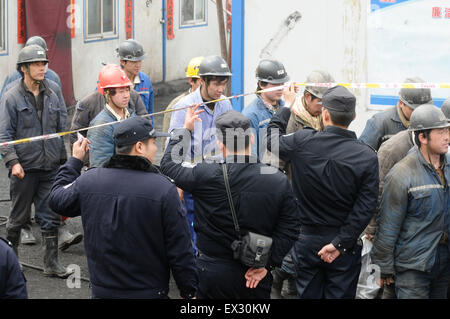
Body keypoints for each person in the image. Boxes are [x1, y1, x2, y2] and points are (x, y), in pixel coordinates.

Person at [48, 116, 197, 299]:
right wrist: (188, 291)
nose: (156, 148)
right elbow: (180, 250)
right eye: (153, 143)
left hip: (103, 292)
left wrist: (75, 161)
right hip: (149, 292)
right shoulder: (163, 189)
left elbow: (56, 200)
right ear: (139, 147)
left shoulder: (89, 181)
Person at [161, 109, 300, 299]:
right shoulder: (276, 180)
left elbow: (169, 165)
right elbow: (291, 229)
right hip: (255, 273)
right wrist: (267, 264)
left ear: (220, 143)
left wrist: (186, 130)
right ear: (251, 138)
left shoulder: (205, 175)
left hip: (212, 273)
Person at [267, 85, 379, 299]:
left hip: (307, 240)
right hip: (343, 244)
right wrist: (339, 244)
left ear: (325, 114)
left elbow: (271, 140)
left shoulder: (302, 141)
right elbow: (365, 208)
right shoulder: (366, 156)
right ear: (354, 116)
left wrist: (287, 106)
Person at [0, 45, 73, 278]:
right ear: (23, 68)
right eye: (37, 64)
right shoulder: (11, 97)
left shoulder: (53, 91)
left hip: (50, 166)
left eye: (44, 64)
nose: (42, 68)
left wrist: (64, 159)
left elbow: (62, 125)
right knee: (17, 218)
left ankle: (51, 263)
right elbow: (4, 135)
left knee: (50, 215)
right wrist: (13, 163)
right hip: (24, 168)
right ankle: (11, 263)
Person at [370, 104, 450, 299]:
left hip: (443, 261)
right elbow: (389, 225)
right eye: (441, 132)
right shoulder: (401, 173)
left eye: (448, 130)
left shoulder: (448, 168)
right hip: (413, 265)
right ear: (422, 137)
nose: (447, 137)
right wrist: (384, 266)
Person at [167, 55, 234, 255]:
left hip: (217, 176)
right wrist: (177, 181)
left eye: (223, 84)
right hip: (192, 177)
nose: (220, 89)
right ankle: (194, 271)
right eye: (216, 84)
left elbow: (229, 141)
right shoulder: (185, 106)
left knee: (216, 226)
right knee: (192, 226)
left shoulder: (225, 104)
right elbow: (176, 146)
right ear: (202, 81)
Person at [359, 77, 433, 150]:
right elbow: (362, 154)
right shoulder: (379, 122)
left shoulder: (432, 121)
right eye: (414, 109)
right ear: (401, 103)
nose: (420, 113)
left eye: (424, 108)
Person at [87, 64, 136, 168]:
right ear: (108, 94)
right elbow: (100, 167)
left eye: (127, 90)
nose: (126, 95)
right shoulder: (101, 126)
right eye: (121, 91)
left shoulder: (131, 116)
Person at [242, 59, 290, 159]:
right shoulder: (251, 115)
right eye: (276, 84)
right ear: (261, 84)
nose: (280, 88)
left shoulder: (287, 108)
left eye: (282, 83)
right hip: (265, 172)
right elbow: (251, 157)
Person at [161, 56, 204, 152]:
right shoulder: (178, 105)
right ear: (191, 81)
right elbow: (167, 141)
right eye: (201, 82)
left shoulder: (217, 103)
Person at [117, 39, 154, 122]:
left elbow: (150, 112)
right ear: (123, 62)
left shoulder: (145, 80)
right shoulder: (112, 81)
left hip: (142, 129)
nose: (138, 65)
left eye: (140, 61)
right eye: (134, 61)